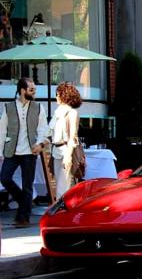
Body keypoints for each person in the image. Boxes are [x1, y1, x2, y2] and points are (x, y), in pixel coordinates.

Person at [0, 78, 50, 227]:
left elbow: (44, 130)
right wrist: (0, 152)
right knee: (5, 178)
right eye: (31, 89)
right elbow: (2, 131)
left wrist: (40, 144)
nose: (34, 92)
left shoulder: (39, 107)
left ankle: (24, 218)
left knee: (28, 185)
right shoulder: (8, 107)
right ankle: (24, 201)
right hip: (12, 151)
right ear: (22, 91)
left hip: (30, 152)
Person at [49, 82, 82, 199]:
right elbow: (50, 133)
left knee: (62, 189)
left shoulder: (72, 113)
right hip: (55, 152)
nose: (56, 97)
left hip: (66, 151)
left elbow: (73, 137)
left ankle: (61, 215)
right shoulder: (57, 113)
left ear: (64, 95)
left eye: (58, 94)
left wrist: (68, 157)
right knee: (59, 186)